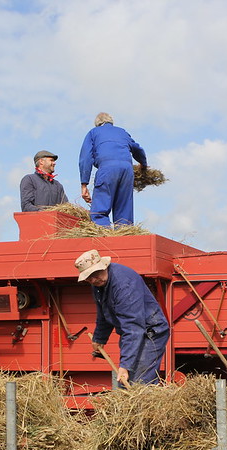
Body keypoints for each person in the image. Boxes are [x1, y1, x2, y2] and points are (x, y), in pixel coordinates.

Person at [74, 249, 169, 386]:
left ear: (104, 266)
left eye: (95, 274)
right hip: (133, 332)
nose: (93, 279)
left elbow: (133, 327)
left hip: (151, 331)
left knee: (139, 382)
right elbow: (103, 312)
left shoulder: (124, 285)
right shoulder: (99, 284)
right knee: (125, 381)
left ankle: (144, 406)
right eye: (89, 277)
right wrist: (99, 338)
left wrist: (125, 365)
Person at [78, 112, 147, 226]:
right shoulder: (122, 132)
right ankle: (124, 236)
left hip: (107, 168)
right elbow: (137, 149)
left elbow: (85, 158)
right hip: (127, 170)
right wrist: (143, 165)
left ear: (98, 124)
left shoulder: (93, 132)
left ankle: (102, 236)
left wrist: (84, 183)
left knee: (100, 209)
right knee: (124, 211)